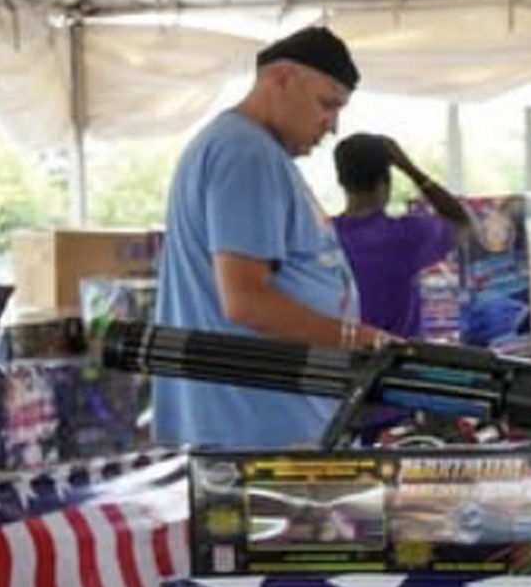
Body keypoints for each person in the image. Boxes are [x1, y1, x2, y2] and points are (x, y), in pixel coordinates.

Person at [154, 24, 391, 449]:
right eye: (326, 104)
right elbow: (246, 300)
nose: (332, 126)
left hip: (266, 422)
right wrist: (361, 340)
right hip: (259, 429)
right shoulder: (246, 153)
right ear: (281, 79)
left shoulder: (248, 148)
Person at [332, 132, 471, 341]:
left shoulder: (321, 236)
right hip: (398, 357)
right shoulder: (407, 235)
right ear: (383, 184)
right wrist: (410, 169)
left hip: (338, 355)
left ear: (341, 181)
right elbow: (462, 222)